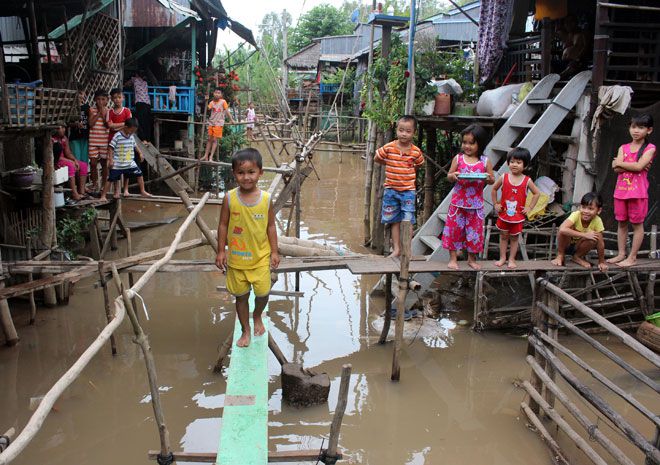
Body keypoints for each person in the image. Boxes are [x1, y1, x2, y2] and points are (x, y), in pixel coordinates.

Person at [215, 148, 280, 348]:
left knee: (262, 294)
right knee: (241, 297)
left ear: (260, 172)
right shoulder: (229, 198)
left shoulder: (267, 199)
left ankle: (257, 315)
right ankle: (245, 330)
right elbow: (223, 225)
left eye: (251, 172)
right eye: (241, 172)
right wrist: (220, 251)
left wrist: (275, 252)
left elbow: (270, 226)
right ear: (234, 174)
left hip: (260, 258)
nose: (246, 177)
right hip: (237, 260)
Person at [442, 124, 494, 270]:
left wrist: (488, 178)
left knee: (474, 233)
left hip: (476, 205)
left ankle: (471, 259)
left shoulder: (485, 161)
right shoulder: (458, 159)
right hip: (458, 204)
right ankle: (453, 259)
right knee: (454, 231)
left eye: (472, 143)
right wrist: (454, 176)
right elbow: (449, 176)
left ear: (480, 143)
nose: (467, 146)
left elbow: (492, 179)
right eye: (465, 142)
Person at [608, 114, 655, 267]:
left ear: (649, 130)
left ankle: (632, 257)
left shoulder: (650, 148)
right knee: (621, 223)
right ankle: (621, 254)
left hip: (638, 192)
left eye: (641, 127)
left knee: (637, 225)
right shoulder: (623, 147)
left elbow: (638, 167)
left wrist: (621, 163)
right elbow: (615, 168)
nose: (636, 131)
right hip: (621, 191)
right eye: (633, 127)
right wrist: (631, 165)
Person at [374, 115, 425, 258]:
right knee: (394, 221)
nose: (404, 134)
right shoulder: (389, 147)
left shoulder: (415, 151)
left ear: (413, 133)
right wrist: (389, 163)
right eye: (401, 130)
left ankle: (406, 250)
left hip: (408, 191)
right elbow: (377, 157)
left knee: (407, 221)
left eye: (408, 131)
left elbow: (420, 164)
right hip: (391, 190)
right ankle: (396, 249)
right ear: (397, 130)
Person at [491, 147, 541, 268]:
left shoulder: (527, 180)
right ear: (508, 163)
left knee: (514, 238)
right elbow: (494, 189)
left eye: (518, 163)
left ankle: (512, 259)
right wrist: (495, 204)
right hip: (504, 214)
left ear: (525, 165)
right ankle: (502, 257)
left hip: (517, 216)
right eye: (512, 162)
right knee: (503, 237)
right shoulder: (504, 177)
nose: (514, 165)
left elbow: (537, 193)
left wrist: (529, 208)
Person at [551, 192, 608, 271]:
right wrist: (584, 235)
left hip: (578, 247)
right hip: (565, 244)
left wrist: (601, 262)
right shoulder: (576, 215)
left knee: (595, 238)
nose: (586, 211)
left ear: (598, 210)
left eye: (590, 209)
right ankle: (560, 255)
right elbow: (562, 229)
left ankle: (577, 257)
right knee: (563, 230)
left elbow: (600, 243)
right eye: (583, 207)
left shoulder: (597, 221)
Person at [100, 118, 152, 201]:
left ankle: (142, 191)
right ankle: (103, 196)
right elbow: (110, 148)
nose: (132, 132)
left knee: (140, 174)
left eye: (134, 131)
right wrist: (111, 159)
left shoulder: (131, 136)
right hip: (118, 164)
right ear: (126, 127)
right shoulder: (117, 135)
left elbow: (135, 146)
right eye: (131, 130)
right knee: (110, 179)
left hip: (130, 162)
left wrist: (140, 153)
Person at [53, 125, 89, 201]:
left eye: (63, 128)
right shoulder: (52, 139)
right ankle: (74, 193)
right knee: (70, 166)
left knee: (83, 165)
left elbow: (68, 152)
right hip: (56, 161)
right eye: (60, 128)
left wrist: (74, 160)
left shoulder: (64, 138)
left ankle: (81, 191)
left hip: (64, 159)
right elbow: (55, 156)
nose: (63, 130)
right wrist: (70, 161)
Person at [108, 88, 133, 196]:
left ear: (123, 98)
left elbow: (130, 125)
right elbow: (110, 126)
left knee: (127, 165)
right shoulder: (110, 112)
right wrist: (123, 124)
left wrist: (116, 126)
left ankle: (126, 189)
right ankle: (116, 190)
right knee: (114, 166)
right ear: (112, 99)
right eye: (115, 98)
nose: (117, 100)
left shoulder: (126, 110)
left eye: (119, 97)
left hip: (125, 142)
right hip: (113, 142)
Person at [202, 88, 234, 161]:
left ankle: (211, 157)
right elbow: (207, 109)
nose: (217, 94)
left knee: (215, 140)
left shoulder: (223, 102)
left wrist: (231, 120)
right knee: (209, 139)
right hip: (211, 122)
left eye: (219, 93)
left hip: (219, 123)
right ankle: (206, 155)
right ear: (213, 93)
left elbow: (227, 111)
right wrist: (206, 100)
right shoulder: (212, 102)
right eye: (216, 92)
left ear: (221, 95)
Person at [88, 89, 110, 191]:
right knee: (93, 163)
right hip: (93, 140)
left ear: (107, 101)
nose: (100, 102)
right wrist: (99, 113)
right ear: (95, 100)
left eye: (103, 99)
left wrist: (104, 114)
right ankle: (95, 183)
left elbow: (107, 125)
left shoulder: (109, 111)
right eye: (98, 99)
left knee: (104, 164)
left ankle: (103, 185)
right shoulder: (92, 110)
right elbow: (91, 124)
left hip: (104, 141)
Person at [126, 72, 153, 143]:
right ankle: (148, 139)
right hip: (148, 103)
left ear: (136, 75)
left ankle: (143, 139)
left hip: (140, 103)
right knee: (147, 122)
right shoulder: (145, 82)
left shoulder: (134, 79)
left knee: (140, 121)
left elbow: (126, 84)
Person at [69, 89, 90, 166]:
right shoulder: (70, 108)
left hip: (85, 136)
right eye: (78, 93)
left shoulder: (86, 107)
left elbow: (90, 121)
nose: (79, 96)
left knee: (84, 159)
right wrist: (75, 124)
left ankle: (84, 176)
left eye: (81, 93)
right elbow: (66, 123)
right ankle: (77, 176)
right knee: (76, 158)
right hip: (74, 137)